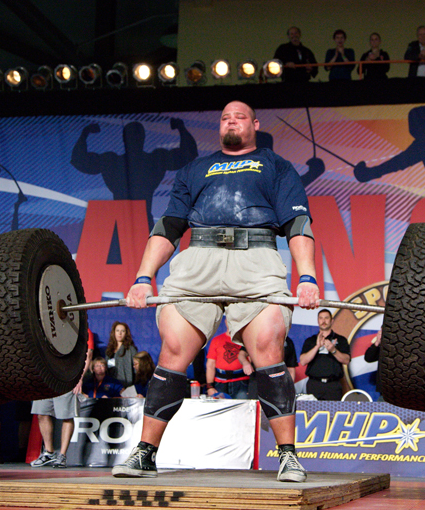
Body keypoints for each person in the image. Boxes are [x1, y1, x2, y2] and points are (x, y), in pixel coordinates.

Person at [112, 100, 319, 483]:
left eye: (239, 116)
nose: (231, 121)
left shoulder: (275, 166)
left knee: (269, 346)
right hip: (198, 258)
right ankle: (145, 453)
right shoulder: (196, 168)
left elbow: (297, 224)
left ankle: (288, 456)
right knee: (174, 351)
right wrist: (143, 277)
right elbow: (170, 226)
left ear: (255, 124)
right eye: (225, 117)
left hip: (255, 258)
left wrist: (307, 277)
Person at [29, 327, 93, 469]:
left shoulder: (81, 330)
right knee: (42, 413)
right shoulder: (43, 328)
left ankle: (62, 455)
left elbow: (87, 355)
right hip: (45, 377)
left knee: (66, 416)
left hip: (66, 377)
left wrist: (79, 378)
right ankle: (49, 453)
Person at [299, 309, 350, 401]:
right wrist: (317, 346)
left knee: (333, 414)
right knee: (312, 413)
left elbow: (346, 360)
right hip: (314, 384)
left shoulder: (341, 340)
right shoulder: (310, 340)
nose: (323, 321)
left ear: (332, 321)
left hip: (333, 385)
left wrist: (333, 350)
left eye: (326, 318)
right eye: (321, 318)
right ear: (318, 321)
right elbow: (303, 361)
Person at [206, 331, 253, 399]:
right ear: (225, 321)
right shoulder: (217, 340)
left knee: (242, 408)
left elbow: (253, 363)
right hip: (220, 383)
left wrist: (252, 387)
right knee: (220, 408)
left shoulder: (245, 339)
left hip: (242, 383)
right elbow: (210, 365)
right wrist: (210, 387)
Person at [106, 321, 138, 388]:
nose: (119, 333)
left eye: (122, 331)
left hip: (126, 386)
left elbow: (137, 371)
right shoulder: (109, 349)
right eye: (117, 330)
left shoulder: (131, 349)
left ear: (126, 333)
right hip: (111, 386)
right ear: (114, 333)